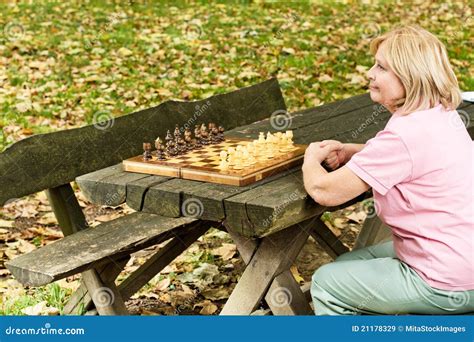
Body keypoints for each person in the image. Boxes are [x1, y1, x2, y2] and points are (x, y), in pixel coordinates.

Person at [302, 25, 474, 315]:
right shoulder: (441, 115)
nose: (370, 73)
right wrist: (354, 152)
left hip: (447, 281)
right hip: (461, 257)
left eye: (381, 67)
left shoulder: (403, 135)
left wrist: (309, 158)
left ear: (409, 77)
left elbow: (324, 191)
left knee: (327, 283)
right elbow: (413, 160)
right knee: (346, 266)